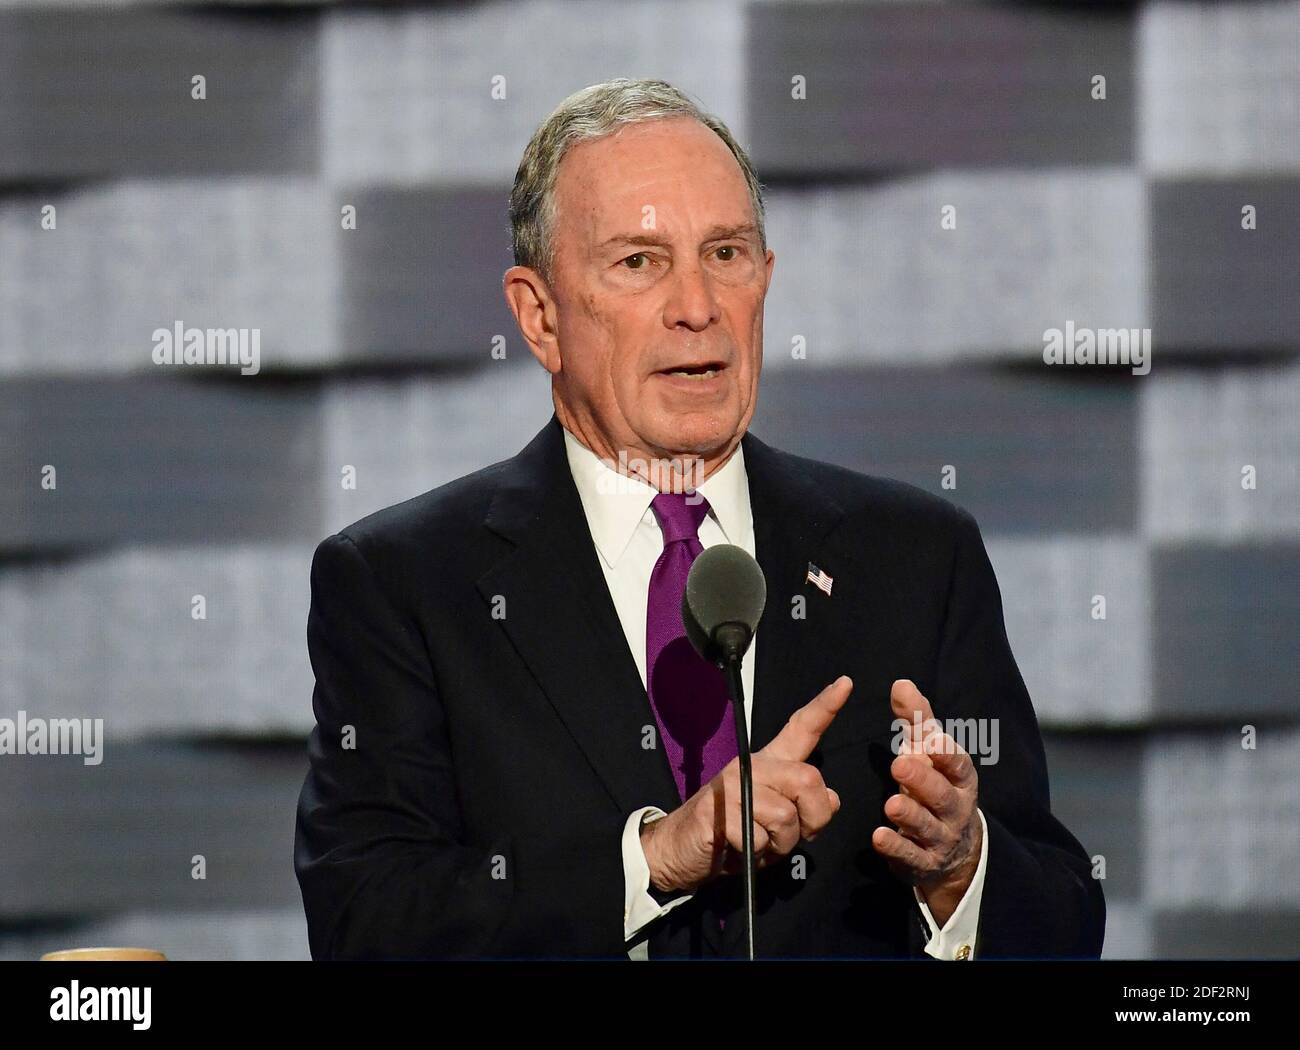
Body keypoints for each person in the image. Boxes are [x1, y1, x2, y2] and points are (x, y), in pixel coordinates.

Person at [293, 77, 1105, 960]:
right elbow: (365, 924)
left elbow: (1062, 925)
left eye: (726, 254)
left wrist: (959, 868)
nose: (697, 306)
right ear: (540, 316)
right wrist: (655, 860)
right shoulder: (405, 584)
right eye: (639, 262)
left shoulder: (915, 557)